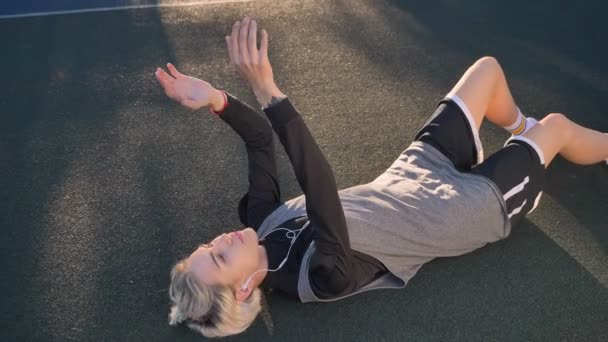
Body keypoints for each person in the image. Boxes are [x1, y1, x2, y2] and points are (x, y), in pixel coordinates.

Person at [154, 15, 608, 338]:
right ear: (247, 286)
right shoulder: (319, 277)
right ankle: (545, 146)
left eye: (208, 246)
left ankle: (524, 137)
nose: (221, 240)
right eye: (218, 258)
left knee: (486, 71)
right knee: (559, 126)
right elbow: (321, 190)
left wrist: (216, 98)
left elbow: (258, 142)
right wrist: (267, 90)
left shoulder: (260, 225)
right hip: (469, 210)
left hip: (413, 175)